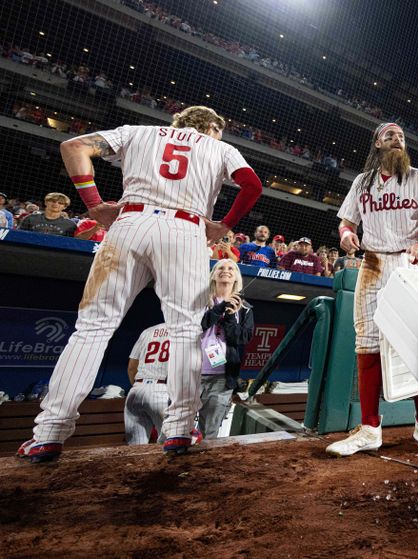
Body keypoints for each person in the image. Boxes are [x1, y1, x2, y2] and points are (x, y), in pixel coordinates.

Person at [18, 106, 263, 463]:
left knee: (91, 329)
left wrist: (95, 204)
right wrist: (224, 224)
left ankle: (50, 432)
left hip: (129, 222)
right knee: (185, 330)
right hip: (184, 229)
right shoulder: (218, 147)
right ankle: (179, 429)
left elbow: (73, 147)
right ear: (212, 127)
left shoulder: (138, 131)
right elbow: (252, 185)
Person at [326, 122, 418, 457]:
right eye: (391, 135)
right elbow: (347, 221)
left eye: (402, 137)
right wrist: (345, 235)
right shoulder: (362, 182)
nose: (398, 139)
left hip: (410, 263)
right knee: (366, 344)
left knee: (417, 344)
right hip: (373, 263)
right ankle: (370, 428)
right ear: (377, 143)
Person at [197, 259, 254, 439]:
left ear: (236, 276)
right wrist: (221, 306)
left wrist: (230, 316)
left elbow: (242, 338)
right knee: (176, 426)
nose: (226, 271)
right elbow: (199, 325)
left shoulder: (245, 308)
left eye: (231, 268)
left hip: (222, 377)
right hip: (192, 372)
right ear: (213, 274)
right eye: (220, 267)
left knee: (210, 431)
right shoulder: (200, 301)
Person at [124, 323, 170, 445]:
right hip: (162, 389)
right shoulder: (183, 331)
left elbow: (131, 367)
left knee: (135, 449)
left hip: (137, 389)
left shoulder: (147, 331)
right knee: (169, 446)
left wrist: (138, 386)